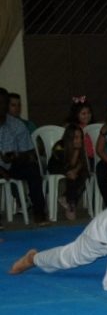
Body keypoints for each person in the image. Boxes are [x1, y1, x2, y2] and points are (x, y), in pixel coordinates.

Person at [0, 87, 49, 226]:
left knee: (32, 168)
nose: (1, 106)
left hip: (13, 164)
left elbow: (29, 153)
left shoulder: (17, 125)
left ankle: (39, 212)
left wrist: (16, 156)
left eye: (4, 103)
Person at [48, 123, 89, 220]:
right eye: (76, 137)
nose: (79, 140)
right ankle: (71, 203)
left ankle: (68, 200)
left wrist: (75, 170)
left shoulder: (79, 146)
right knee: (71, 176)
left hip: (71, 168)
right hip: (57, 167)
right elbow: (68, 164)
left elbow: (81, 162)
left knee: (84, 174)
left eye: (80, 137)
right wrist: (70, 171)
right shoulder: (60, 145)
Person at [67, 96, 95, 162]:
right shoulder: (75, 128)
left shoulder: (93, 127)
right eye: (83, 114)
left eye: (89, 113)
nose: (87, 116)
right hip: (81, 159)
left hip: (94, 157)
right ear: (76, 115)